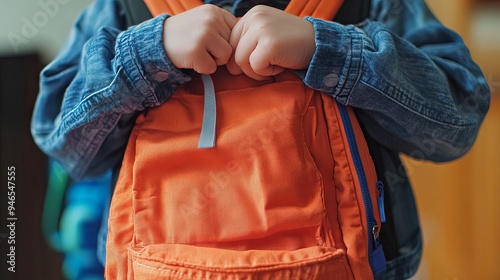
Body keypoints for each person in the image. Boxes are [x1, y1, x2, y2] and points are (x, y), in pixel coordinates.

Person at [31, 0, 490, 279]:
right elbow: (61, 138)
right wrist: (153, 50)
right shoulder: (125, 8)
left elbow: (457, 120)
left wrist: (326, 47)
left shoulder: (366, 4)